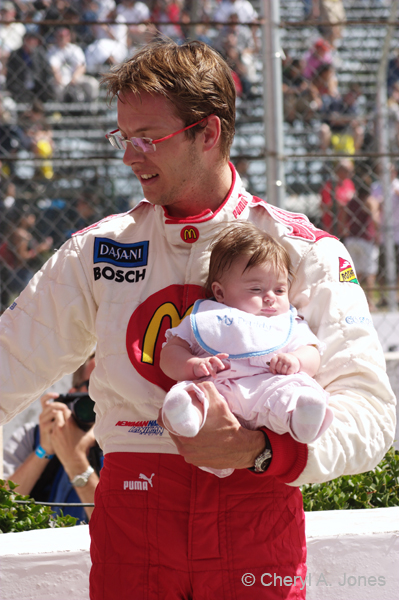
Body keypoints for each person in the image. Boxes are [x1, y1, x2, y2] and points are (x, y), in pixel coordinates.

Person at [0, 40, 395, 600]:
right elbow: (10, 361)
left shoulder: (304, 250)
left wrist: (260, 450)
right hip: (132, 524)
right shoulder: (96, 251)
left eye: (147, 139)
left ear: (207, 134)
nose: (129, 156)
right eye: (122, 137)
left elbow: (372, 411)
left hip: (257, 513)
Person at [161, 223, 332, 478]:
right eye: (256, 289)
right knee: (191, 393)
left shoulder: (286, 323)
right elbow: (170, 352)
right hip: (218, 388)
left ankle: (302, 419)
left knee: (292, 390)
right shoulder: (209, 317)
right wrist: (193, 365)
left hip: (268, 386)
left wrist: (296, 361)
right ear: (219, 292)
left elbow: (312, 353)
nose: (270, 297)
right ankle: (188, 417)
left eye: (280, 289)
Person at [2, 353, 101, 523]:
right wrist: (44, 450)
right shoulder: (31, 437)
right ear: (73, 393)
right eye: (94, 386)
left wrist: (74, 459)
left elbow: (118, 525)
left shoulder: (126, 443)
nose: (103, 396)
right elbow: (3, 508)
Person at [344, 181, 381, 311]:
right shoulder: (370, 201)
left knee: (355, 273)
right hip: (366, 239)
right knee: (370, 273)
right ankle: (370, 303)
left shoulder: (351, 202)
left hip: (352, 238)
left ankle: (353, 302)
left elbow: (344, 218)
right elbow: (375, 219)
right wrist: (378, 233)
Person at [47, 26, 99, 103]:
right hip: (60, 79)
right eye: (60, 37)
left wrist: (74, 78)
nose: (62, 39)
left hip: (76, 77)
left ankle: (92, 109)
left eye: (64, 36)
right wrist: (60, 80)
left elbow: (82, 67)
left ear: (69, 37)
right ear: (56, 38)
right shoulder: (52, 50)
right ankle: (60, 110)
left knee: (92, 83)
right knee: (58, 87)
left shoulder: (75, 49)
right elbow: (54, 68)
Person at [6, 31, 56, 104]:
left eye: (35, 41)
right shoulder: (16, 54)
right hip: (20, 86)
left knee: (48, 92)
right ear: (25, 41)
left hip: (38, 86)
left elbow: (46, 71)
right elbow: (10, 74)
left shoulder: (40, 54)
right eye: (30, 40)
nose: (33, 43)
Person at [320, 158, 355, 239]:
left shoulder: (349, 183)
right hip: (332, 227)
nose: (351, 174)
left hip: (347, 228)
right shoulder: (329, 186)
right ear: (339, 171)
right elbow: (324, 206)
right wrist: (338, 204)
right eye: (348, 171)